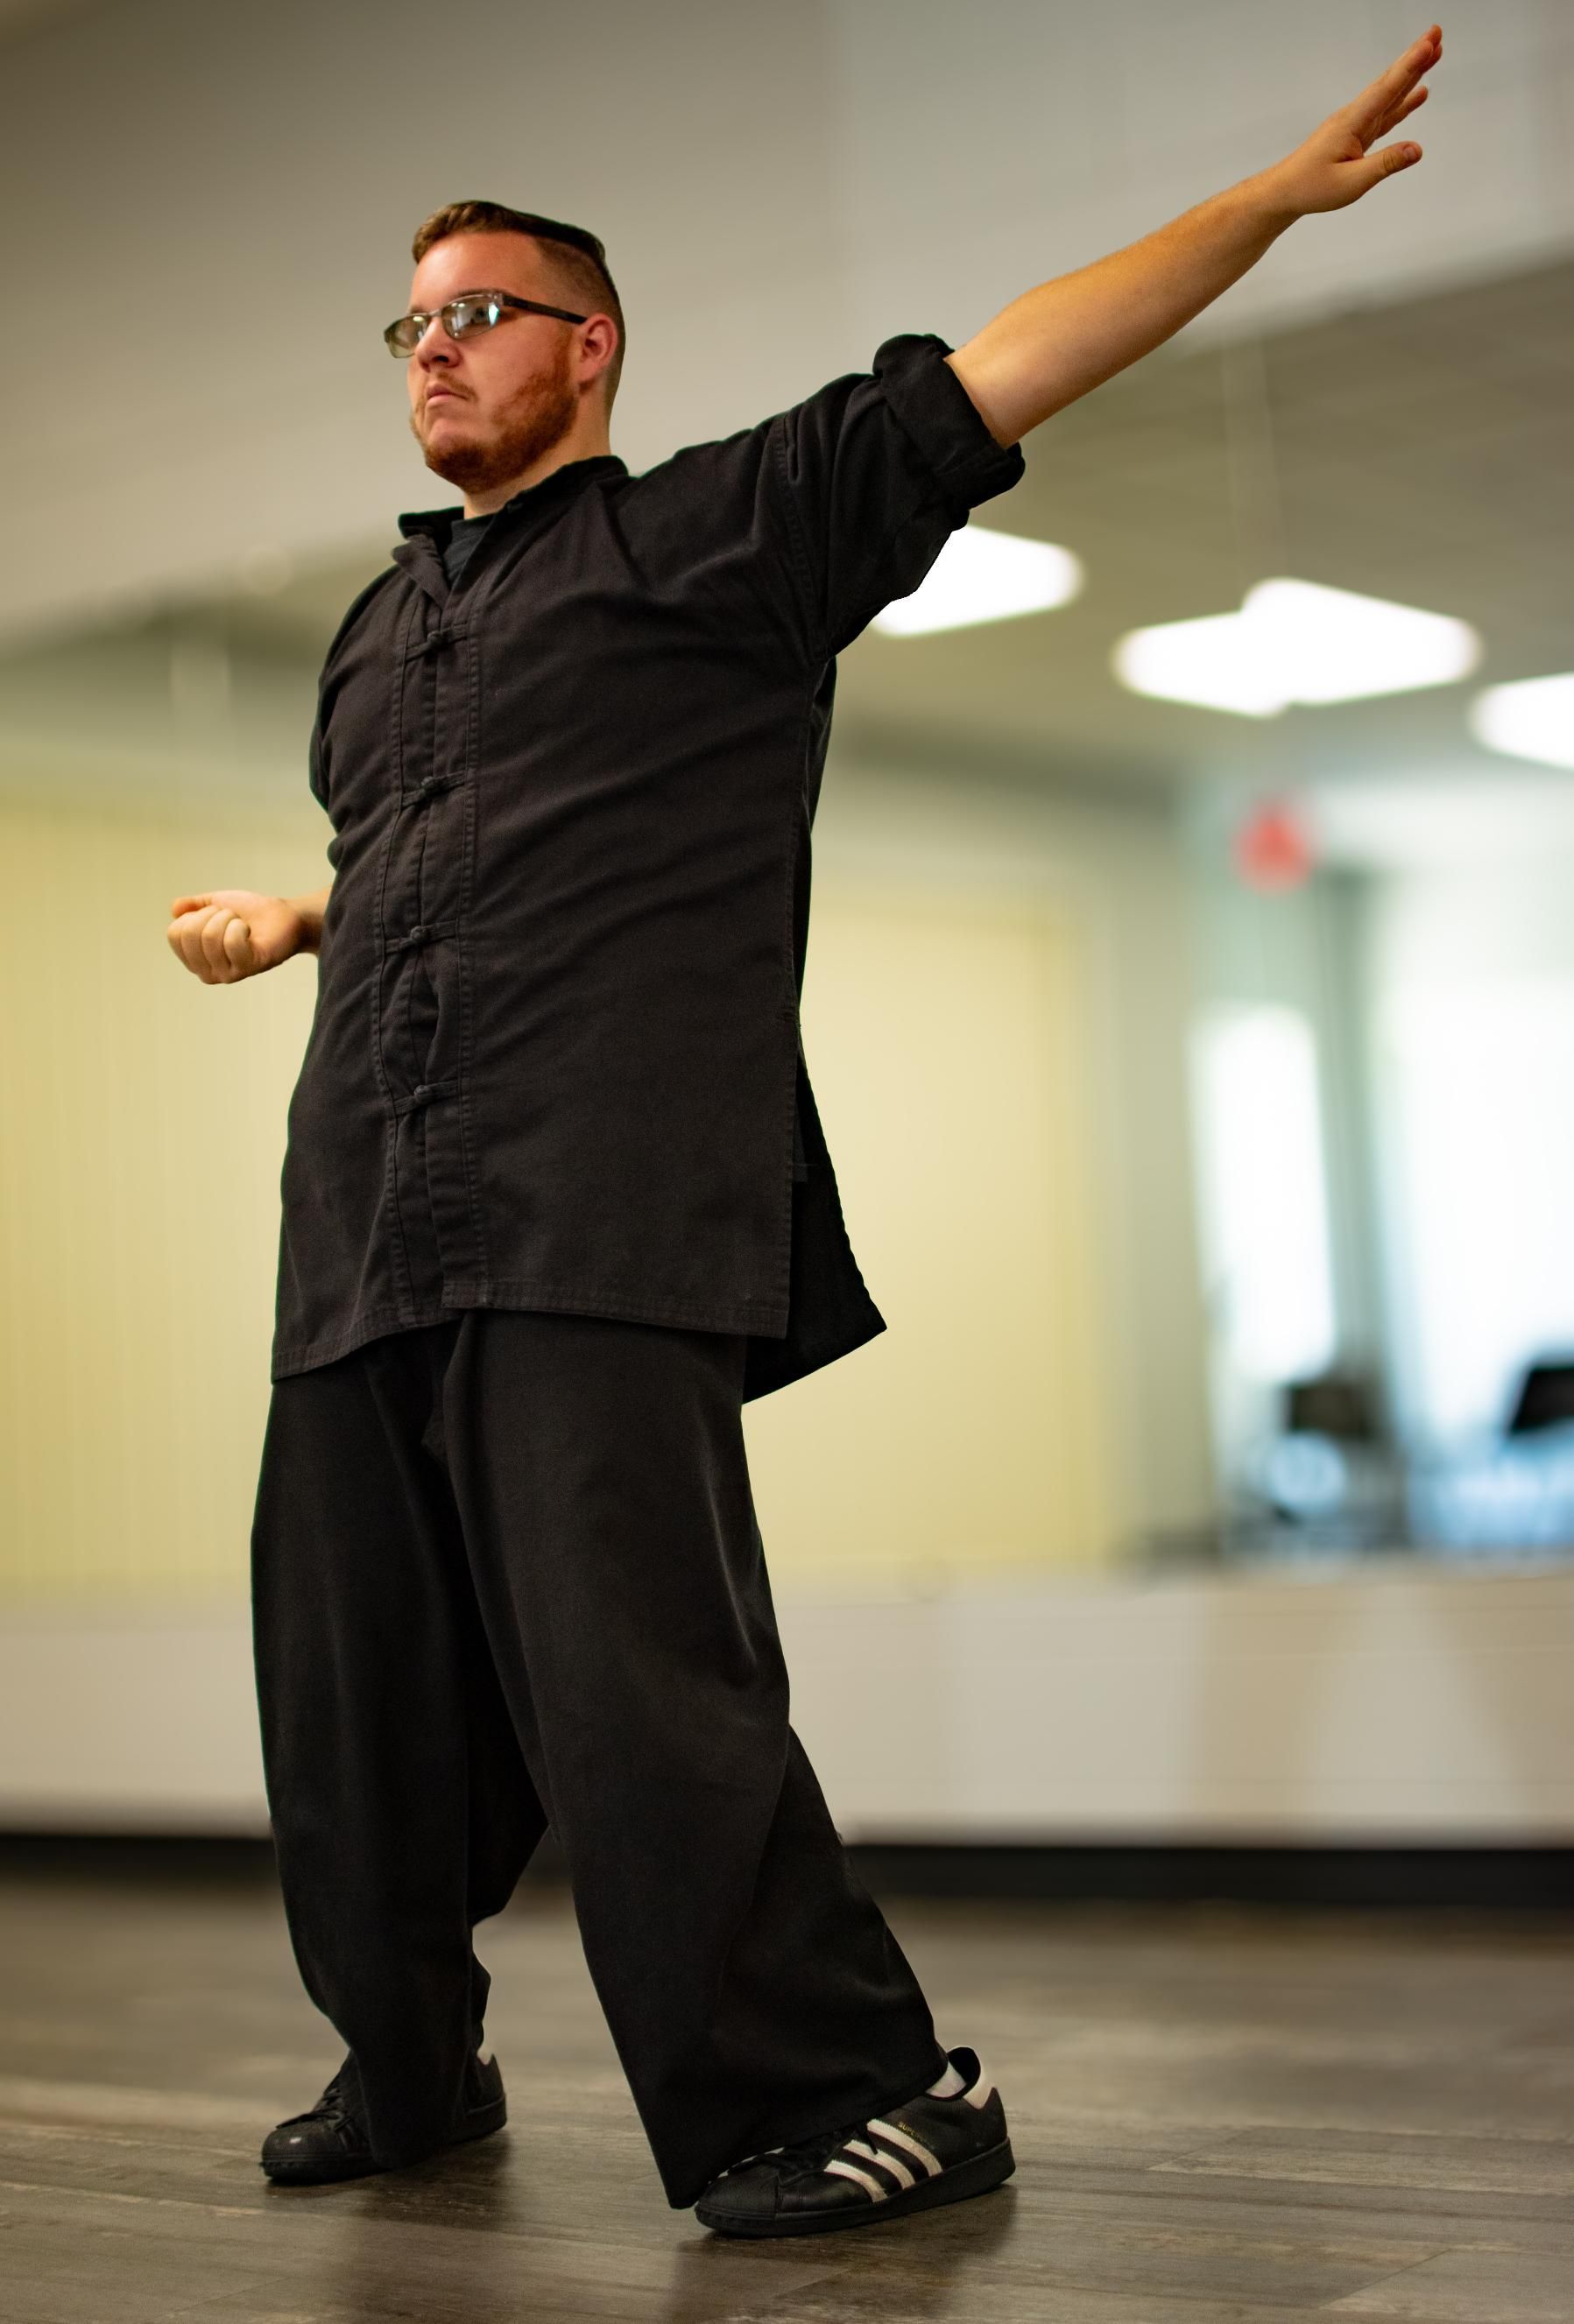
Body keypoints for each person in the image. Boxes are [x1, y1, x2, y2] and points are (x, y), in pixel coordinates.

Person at [166, 27, 1441, 2238]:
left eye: (479, 311)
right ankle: (406, 2063)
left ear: (592, 345)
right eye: (412, 323)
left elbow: (1006, 368)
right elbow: (439, 863)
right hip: (361, 1224)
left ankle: (859, 2087)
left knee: (638, 1695)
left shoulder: (724, 536)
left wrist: (1252, 207)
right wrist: (306, 913)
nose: (434, 353)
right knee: (348, 1701)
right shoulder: (376, 639)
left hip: (600, 1217)